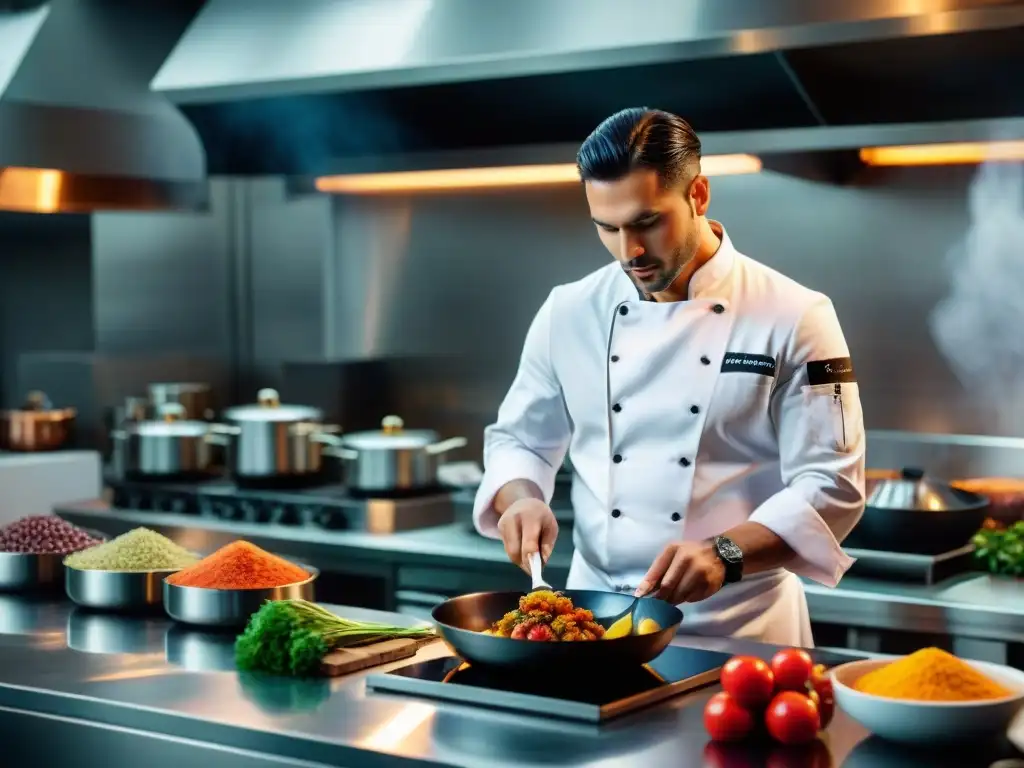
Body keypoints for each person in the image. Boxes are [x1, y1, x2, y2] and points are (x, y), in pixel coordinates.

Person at [472, 107, 866, 646]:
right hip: (593, 624)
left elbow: (832, 484)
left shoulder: (796, 314)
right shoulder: (569, 310)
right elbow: (521, 440)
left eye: (646, 222)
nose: (628, 251)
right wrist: (520, 499)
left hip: (740, 630)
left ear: (698, 195)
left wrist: (726, 554)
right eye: (606, 228)